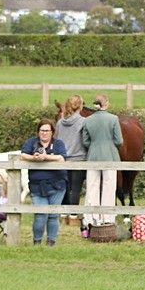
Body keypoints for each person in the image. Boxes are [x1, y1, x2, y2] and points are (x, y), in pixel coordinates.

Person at [20, 120, 68, 245]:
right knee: (40, 214)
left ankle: (51, 243)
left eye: (47, 131)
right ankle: (37, 243)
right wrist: (34, 158)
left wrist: (46, 157)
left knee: (53, 215)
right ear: (38, 132)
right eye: (42, 130)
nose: (44, 133)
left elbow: (61, 158)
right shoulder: (31, 142)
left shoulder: (58, 144)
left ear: (52, 132)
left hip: (57, 184)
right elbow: (23, 155)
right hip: (37, 185)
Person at [80, 94, 123, 227]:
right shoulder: (113, 119)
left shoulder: (88, 120)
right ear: (106, 103)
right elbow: (119, 141)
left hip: (93, 156)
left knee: (92, 188)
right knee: (109, 188)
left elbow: (85, 141)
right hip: (110, 156)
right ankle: (108, 218)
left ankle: (91, 218)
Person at [54, 95, 87, 223]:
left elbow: (56, 140)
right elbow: (85, 140)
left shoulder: (60, 122)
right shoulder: (83, 122)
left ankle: (63, 215)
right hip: (79, 158)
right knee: (76, 188)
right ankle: (73, 217)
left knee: (65, 187)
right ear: (80, 106)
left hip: (62, 159)